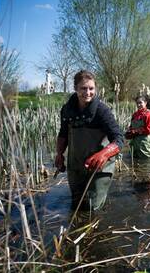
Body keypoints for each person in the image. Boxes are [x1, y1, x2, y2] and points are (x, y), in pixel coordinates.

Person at [54, 70, 123, 211]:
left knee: (92, 207)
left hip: (99, 167)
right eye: (83, 88)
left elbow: (119, 139)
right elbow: (63, 134)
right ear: (75, 88)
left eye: (91, 88)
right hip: (76, 164)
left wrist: (104, 154)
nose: (88, 92)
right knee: (76, 203)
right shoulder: (67, 110)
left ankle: (94, 231)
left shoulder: (102, 111)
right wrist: (59, 154)